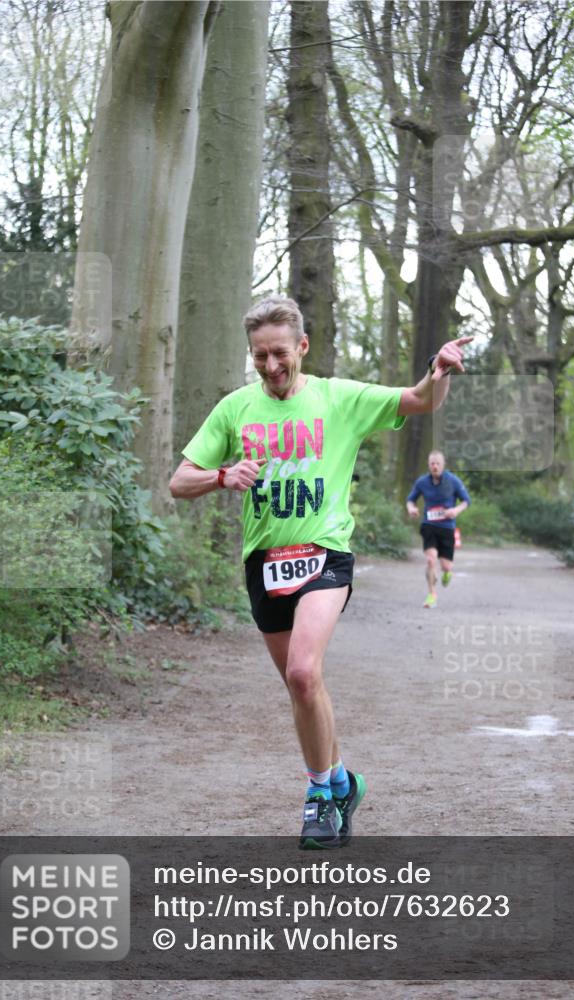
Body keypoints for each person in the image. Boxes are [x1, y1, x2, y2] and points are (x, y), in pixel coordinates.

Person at [169, 296, 472, 848]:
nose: (270, 366)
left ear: (302, 347)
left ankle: (318, 798)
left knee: (305, 673)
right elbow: (178, 481)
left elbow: (419, 402)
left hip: (325, 555)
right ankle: (341, 782)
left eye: (279, 353)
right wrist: (221, 475)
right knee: (301, 686)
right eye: (259, 356)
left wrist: (438, 370)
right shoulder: (235, 409)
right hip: (264, 564)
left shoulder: (339, 398)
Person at [406, 450, 471, 608]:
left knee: (445, 566)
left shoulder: (453, 481)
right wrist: (411, 508)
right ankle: (432, 595)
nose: (435, 466)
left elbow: (466, 501)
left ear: (443, 465)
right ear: (428, 465)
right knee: (430, 560)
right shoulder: (422, 482)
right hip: (429, 525)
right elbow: (410, 500)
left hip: (447, 528)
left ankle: (448, 572)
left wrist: (455, 511)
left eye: (437, 464)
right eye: (432, 464)